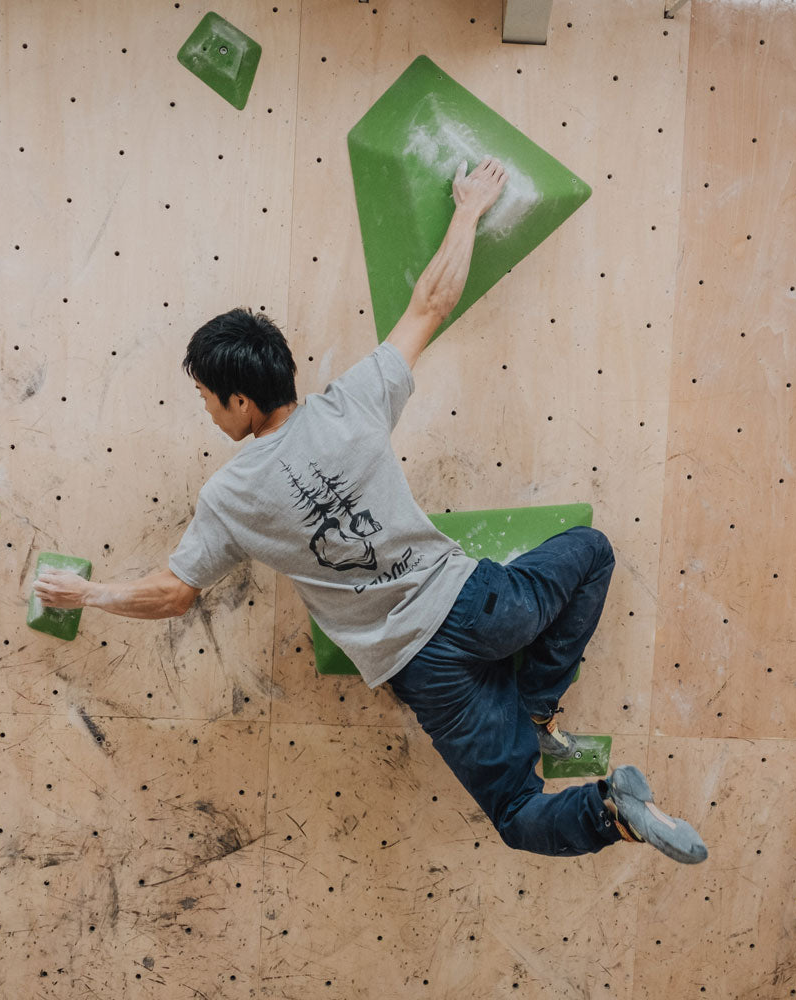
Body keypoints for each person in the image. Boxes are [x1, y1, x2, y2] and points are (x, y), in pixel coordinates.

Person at [34, 158, 705, 864]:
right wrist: (470, 208)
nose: (205, 410)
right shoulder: (352, 402)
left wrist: (88, 592)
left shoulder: (229, 497)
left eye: (206, 397)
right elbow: (430, 304)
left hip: (422, 667)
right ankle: (539, 704)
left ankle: (610, 814)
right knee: (591, 551)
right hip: (481, 604)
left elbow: (175, 594)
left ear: (240, 401)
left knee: (516, 809)